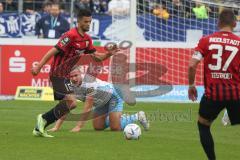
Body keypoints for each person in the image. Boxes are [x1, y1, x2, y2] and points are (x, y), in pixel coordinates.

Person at [32, 9, 120, 138]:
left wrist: (108, 54)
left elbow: (96, 57)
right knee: (71, 102)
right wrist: (39, 67)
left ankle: (41, 124)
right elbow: (53, 51)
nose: (88, 24)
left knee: (71, 103)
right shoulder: (70, 35)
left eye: (90, 21)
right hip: (58, 73)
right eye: (85, 22)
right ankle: (43, 119)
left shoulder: (87, 40)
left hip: (66, 75)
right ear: (78, 22)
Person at [188, 9, 240, 160]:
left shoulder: (206, 40)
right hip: (235, 94)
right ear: (235, 24)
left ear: (218, 23)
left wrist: (191, 85)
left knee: (203, 125)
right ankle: (230, 112)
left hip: (213, 95)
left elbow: (192, 65)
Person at [48, 66, 149, 132]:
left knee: (115, 128)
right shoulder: (69, 86)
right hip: (101, 103)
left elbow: (87, 107)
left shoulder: (89, 82)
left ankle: (137, 116)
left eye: (76, 75)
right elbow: (67, 106)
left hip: (113, 97)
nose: (74, 78)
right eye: (71, 76)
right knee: (98, 127)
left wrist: (78, 126)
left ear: (80, 74)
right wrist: (56, 127)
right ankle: (117, 117)